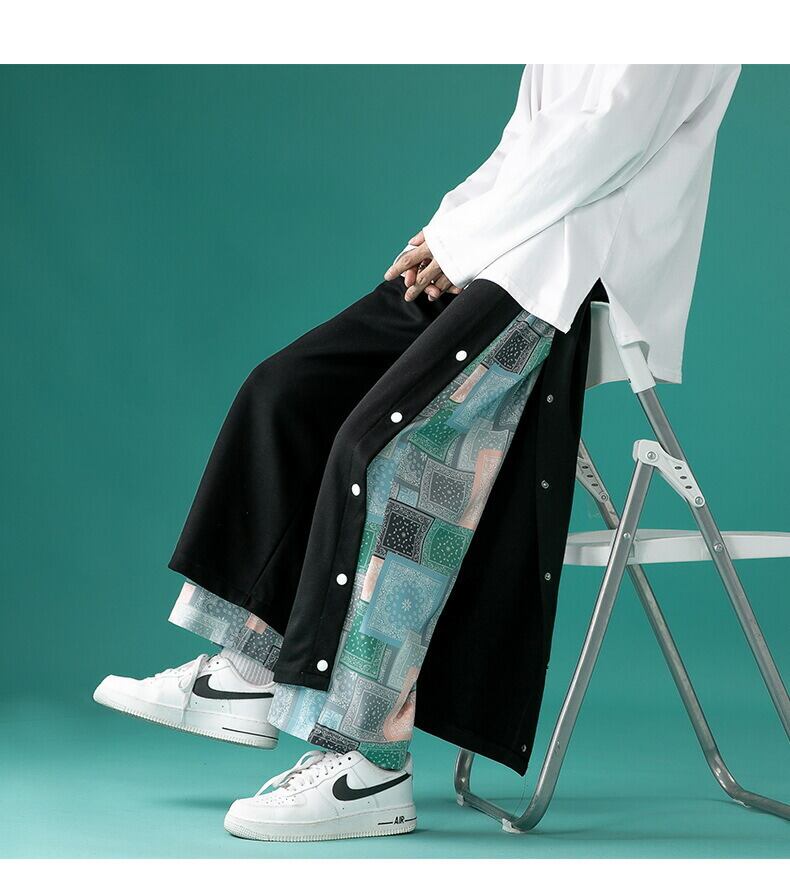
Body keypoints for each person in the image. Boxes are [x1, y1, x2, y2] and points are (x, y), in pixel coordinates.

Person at [94, 64, 741, 842]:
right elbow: (529, 137)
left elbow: (611, 135)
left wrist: (468, 236)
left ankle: (368, 762)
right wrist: (449, 227)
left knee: (391, 455)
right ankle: (249, 666)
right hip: (501, 242)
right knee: (287, 392)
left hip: (567, 271)